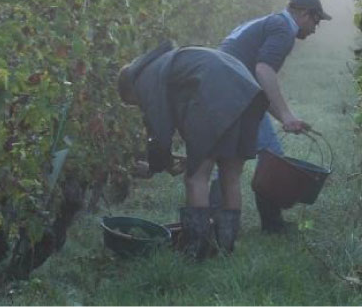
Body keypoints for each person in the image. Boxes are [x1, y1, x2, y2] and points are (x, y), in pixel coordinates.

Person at [116, 41, 308, 258]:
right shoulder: (164, 63)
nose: (139, 106)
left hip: (217, 95)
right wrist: (169, 160)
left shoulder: (144, 79)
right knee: (230, 177)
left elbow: (159, 129)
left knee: (196, 178)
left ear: (129, 88)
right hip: (247, 93)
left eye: (134, 103)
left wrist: (153, 166)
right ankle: (225, 248)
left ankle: (196, 252)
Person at [212, 0, 328, 233]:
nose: (315, 29)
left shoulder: (269, 22)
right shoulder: (284, 30)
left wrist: (287, 118)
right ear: (304, 14)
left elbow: (258, 85)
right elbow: (264, 71)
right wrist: (286, 116)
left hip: (223, 87)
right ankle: (272, 226)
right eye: (315, 21)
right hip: (236, 90)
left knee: (225, 160)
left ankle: (215, 224)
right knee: (272, 156)